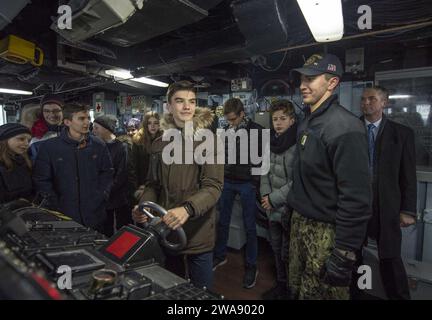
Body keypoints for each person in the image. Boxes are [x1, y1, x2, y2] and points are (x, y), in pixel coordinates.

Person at [287, 53, 371, 299]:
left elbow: (356, 197)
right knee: (297, 289)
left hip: (327, 232)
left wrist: (344, 251)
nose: (302, 85)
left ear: (332, 83)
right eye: (301, 79)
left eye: (310, 79)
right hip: (300, 223)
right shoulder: (307, 121)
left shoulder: (345, 128)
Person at [132, 80, 224, 289]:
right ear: (169, 106)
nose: (187, 107)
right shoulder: (159, 144)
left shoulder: (208, 142)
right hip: (167, 230)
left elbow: (213, 187)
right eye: (180, 101)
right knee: (172, 286)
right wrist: (144, 207)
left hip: (198, 232)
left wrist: (187, 209)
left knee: (201, 292)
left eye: (191, 101)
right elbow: (153, 184)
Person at [359, 86, 416, 300]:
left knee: (390, 257)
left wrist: (408, 210)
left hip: (388, 205)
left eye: (372, 99)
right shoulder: (351, 130)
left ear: (384, 103)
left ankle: (398, 297)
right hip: (357, 203)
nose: (366, 103)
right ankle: (359, 294)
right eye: (363, 99)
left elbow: (408, 176)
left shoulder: (401, 134)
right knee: (355, 255)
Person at [33, 103, 114, 233]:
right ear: (67, 122)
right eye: (81, 118)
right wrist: (55, 203)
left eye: (88, 118)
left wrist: (102, 195)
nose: (87, 122)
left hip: (94, 213)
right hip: (63, 214)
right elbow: (42, 180)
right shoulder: (50, 148)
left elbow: (107, 173)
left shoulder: (98, 145)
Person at [213, 98, 263, 289]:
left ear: (242, 114)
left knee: (250, 226)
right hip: (228, 181)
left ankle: (252, 266)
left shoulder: (256, 130)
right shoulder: (225, 130)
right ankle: (220, 256)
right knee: (223, 221)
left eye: (233, 119)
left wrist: (254, 184)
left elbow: (260, 160)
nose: (230, 123)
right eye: (228, 119)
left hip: (247, 184)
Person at [260, 100, 297, 299]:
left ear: (292, 120)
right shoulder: (271, 141)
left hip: (288, 208)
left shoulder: (299, 143)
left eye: (283, 118)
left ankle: (291, 290)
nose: (278, 122)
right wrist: (266, 196)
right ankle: (281, 286)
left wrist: (273, 198)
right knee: (275, 247)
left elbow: (297, 180)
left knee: (288, 251)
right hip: (271, 207)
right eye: (275, 119)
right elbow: (263, 171)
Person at [93, 115, 131, 236]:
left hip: (118, 198)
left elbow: (122, 175)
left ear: (106, 129)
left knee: (121, 231)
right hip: (102, 198)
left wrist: (105, 190)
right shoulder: (97, 146)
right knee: (105, 230)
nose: (93, 131)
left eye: (96, 128)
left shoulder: (122, 147)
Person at [0, 123, 33, 204]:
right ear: (5, 139)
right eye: (21, 139)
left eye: (28, 140)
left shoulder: (25, 161)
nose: (26, 144)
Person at [131, 111, 163, 190]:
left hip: (161, 183)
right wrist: (138, 186)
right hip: (143, 184)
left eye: (155, 123)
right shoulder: (138, 141)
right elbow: (133, 167)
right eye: (149, 123)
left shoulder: (164, 140)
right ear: (146, 125)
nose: (153, 126)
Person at [29, 94, 64, 161]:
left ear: (63, 111)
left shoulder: (75, 131)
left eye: (56, 110)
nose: (52, 115)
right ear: (42, 113)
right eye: (47, 111)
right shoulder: (35, 138)